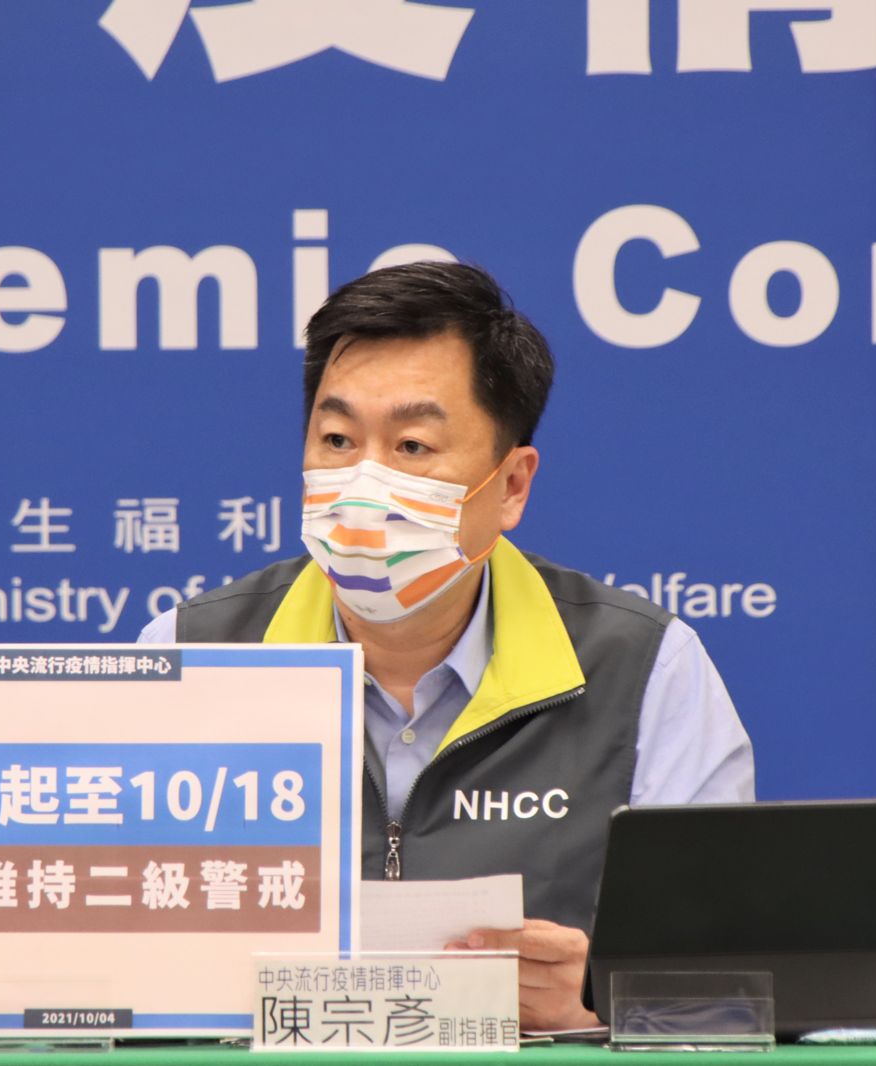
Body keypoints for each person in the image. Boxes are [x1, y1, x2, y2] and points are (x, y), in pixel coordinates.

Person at [139, 261, 753, 1030]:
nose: (364, 485)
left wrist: (605, 1004)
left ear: (512, 485)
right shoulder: (188, 659)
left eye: (412, 446)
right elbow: (93, 961)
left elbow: (729, 998)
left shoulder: (646, 671)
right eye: (337, 439)